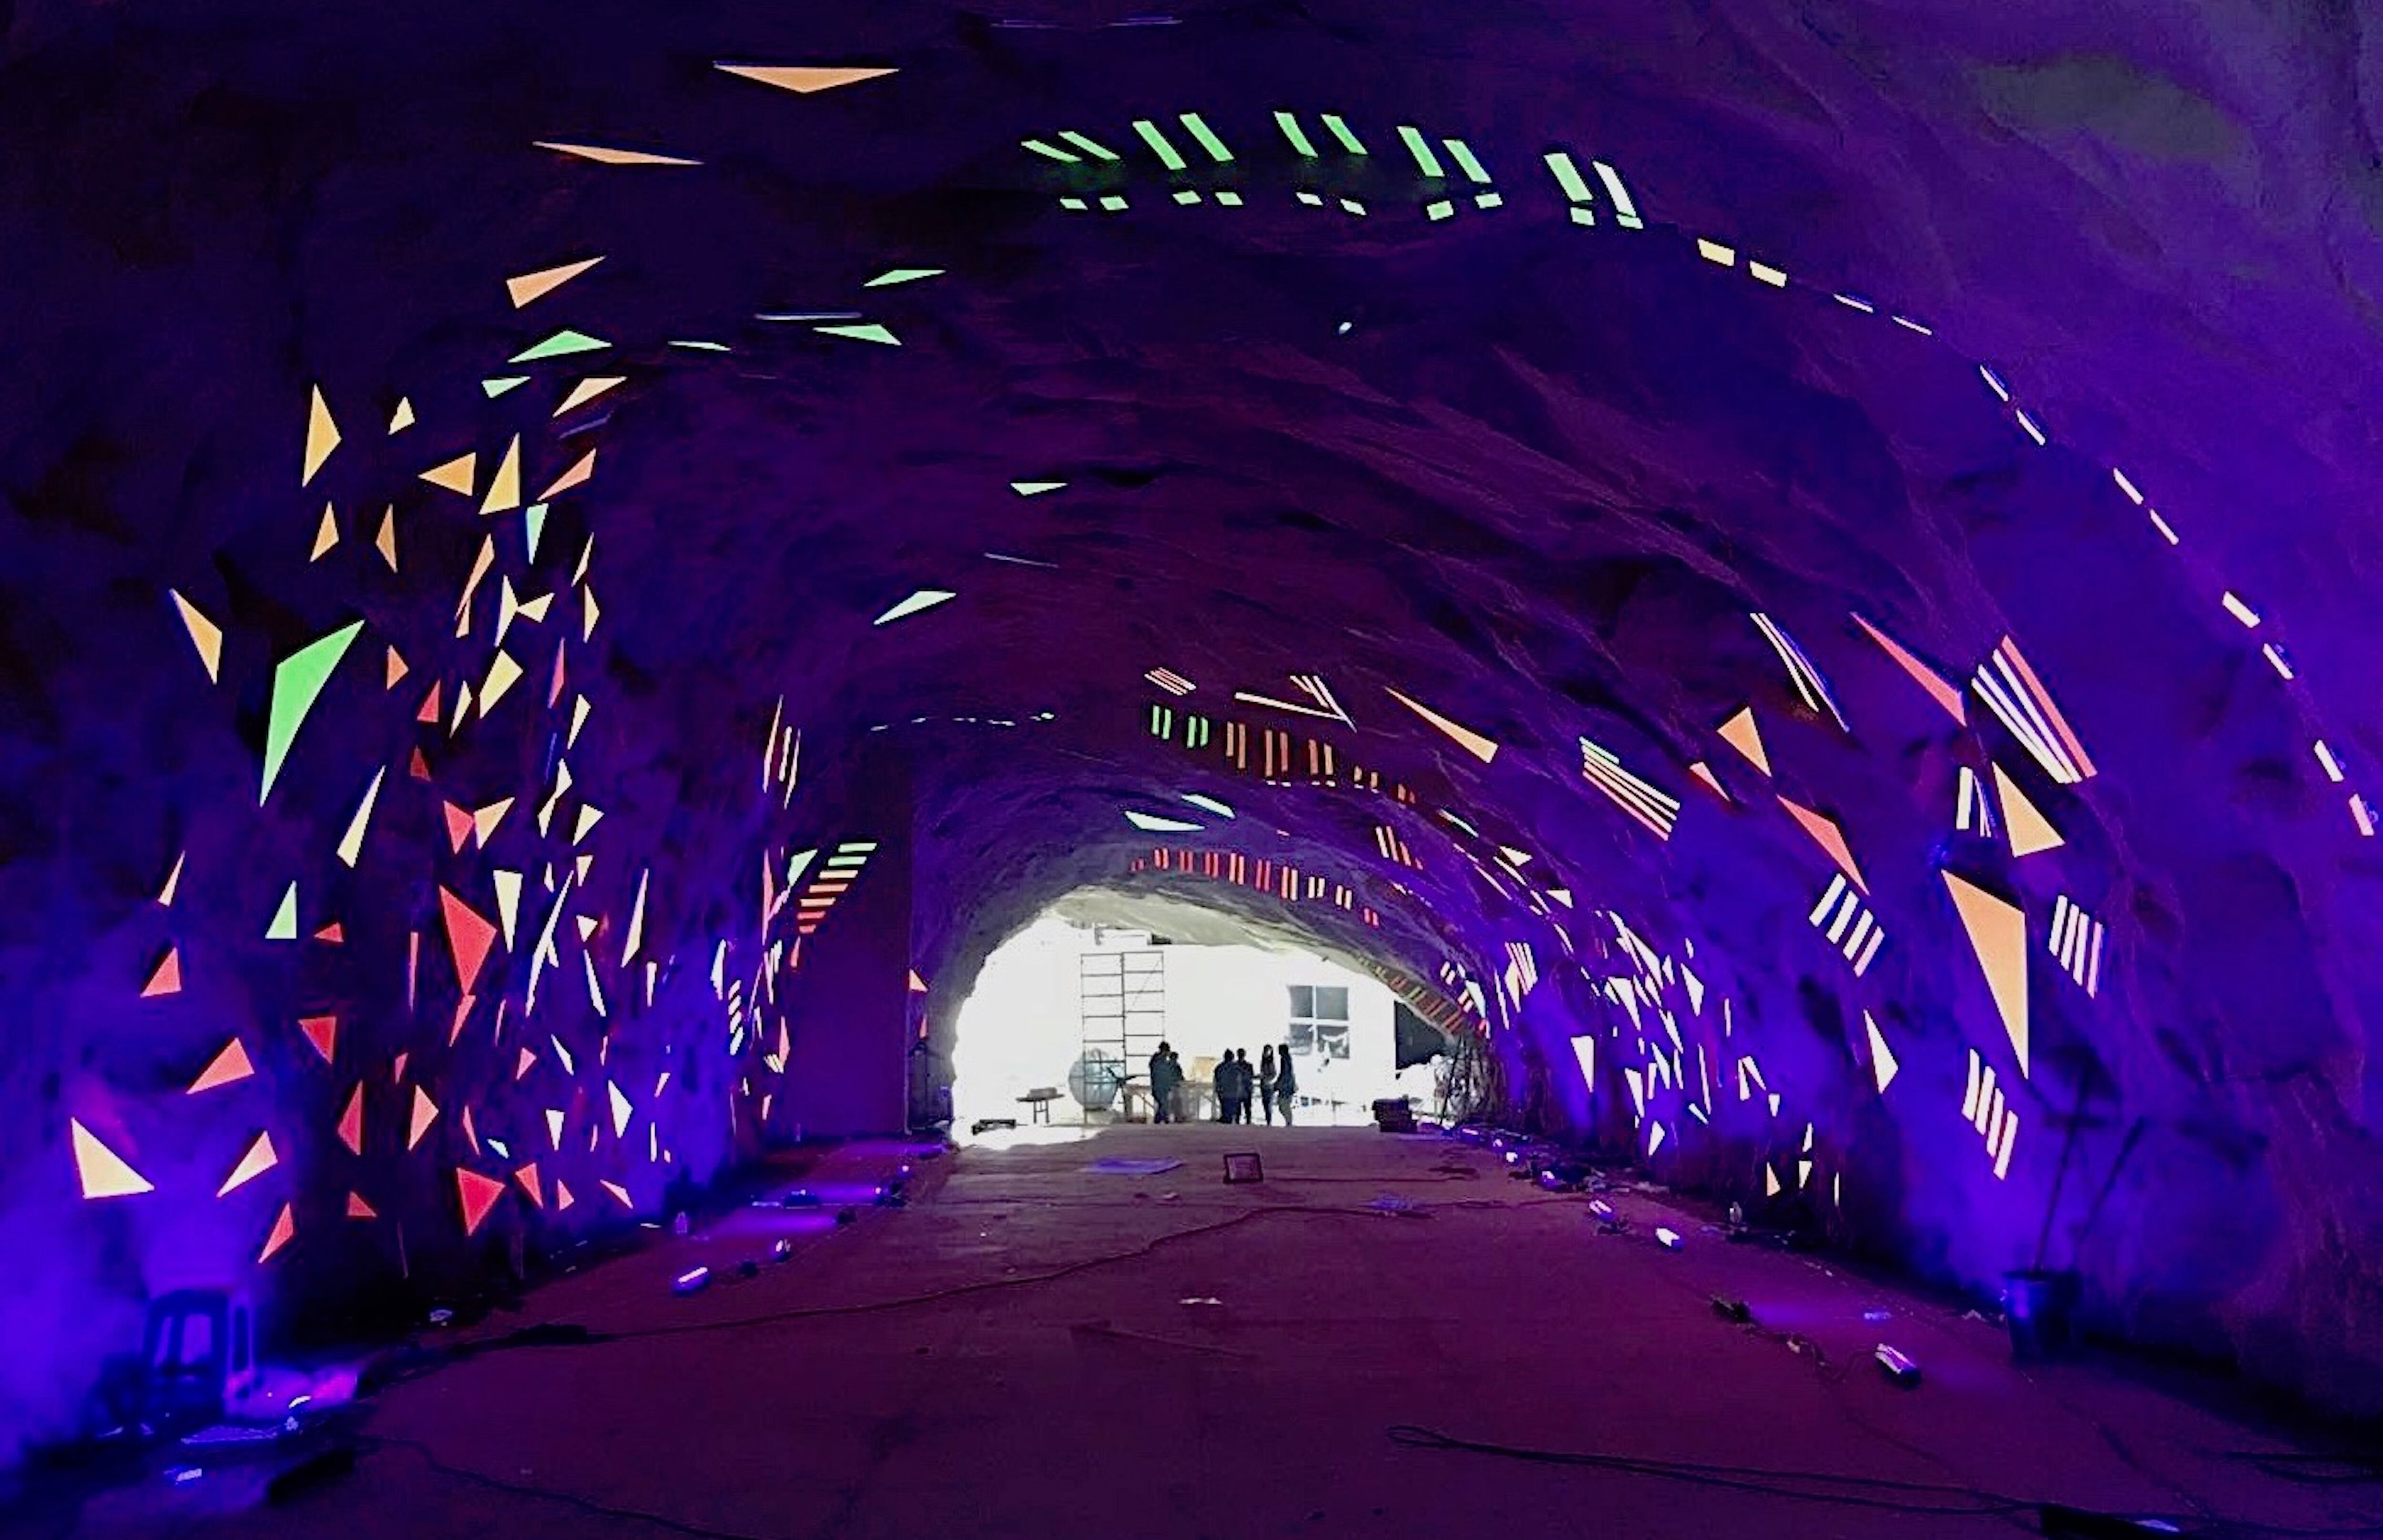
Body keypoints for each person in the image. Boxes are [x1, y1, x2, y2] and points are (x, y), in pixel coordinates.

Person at [1149, 1042, 1181, 1124]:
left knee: (1163, 1103)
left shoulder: (1159, 1061)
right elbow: (1165, 1073)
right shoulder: (1159, 1061)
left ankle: (1161, 1117)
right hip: (1160, 1085)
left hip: (1161, 1085)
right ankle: (1162, 1117)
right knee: (1163, 1102)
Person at [1273, 1043, 1297, 1126]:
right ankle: (1289, 1121)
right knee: (1284, 1105)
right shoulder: (1287, 1059)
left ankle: (1289, 1122)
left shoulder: (1285, 1059)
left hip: (1286, 1086)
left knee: (1283, 1104)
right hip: (1287, 1085)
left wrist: (1279, 1084)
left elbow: (1285, 1073)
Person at [1259, 1045, 1278, 1125]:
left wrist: (1267, 1079)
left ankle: (1269, 1121)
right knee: (1265, 1104)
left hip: (1269, 1086)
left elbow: (1274, 1075)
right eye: (1266, 1051)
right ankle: (1268, 1120)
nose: (1266, 1053)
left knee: (1268, 1104)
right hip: (1264, 1085)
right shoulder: (1263, 1062)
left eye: (1268, 1051)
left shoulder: (1271, 1062)